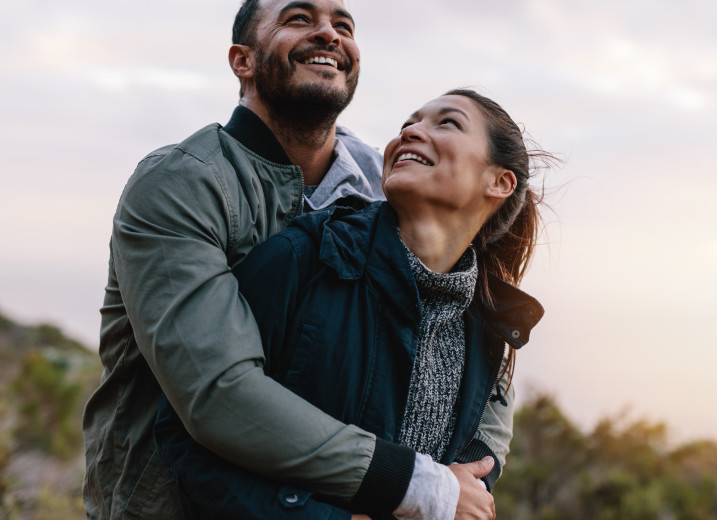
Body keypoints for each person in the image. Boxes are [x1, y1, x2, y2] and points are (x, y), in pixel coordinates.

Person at [81, 0, 515, 518]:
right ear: (242, 60)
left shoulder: (393, 189)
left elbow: (468, 331)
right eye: (298, 18)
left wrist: (466, 477)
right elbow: (220, 394)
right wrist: (418, 486)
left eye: (343, 25)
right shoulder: (183, 184)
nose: (329, 34)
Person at [154, 89, 551, 520]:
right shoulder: (302, 258)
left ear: (500, 182)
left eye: (447, 123)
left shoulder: (491, 329)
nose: (412, 132)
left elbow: (473, 473)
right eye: (408, 125)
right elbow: (184, 436)